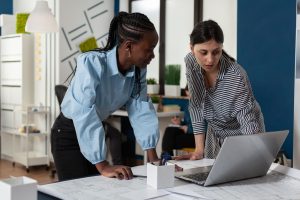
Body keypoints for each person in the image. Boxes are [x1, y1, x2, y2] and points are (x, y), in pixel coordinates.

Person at [51, 11, 160, 181]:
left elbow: (140, 109)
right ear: (129, 46)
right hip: (69, 134)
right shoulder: (92, 63)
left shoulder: (138, 70)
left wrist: (154, 160)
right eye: (149, 49)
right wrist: (103, 166)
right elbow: (84, 113)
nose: (153, 55)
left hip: (93, 132)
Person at [177, 20, 265, 160]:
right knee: (212, 176)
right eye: (203, 52)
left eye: (216, 52)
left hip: (242, 135)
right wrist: (199, 149)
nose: (210, 60)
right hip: (215, 132)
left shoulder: (236, 75)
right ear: (192, 48)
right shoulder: (191, 61)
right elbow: (196, 105)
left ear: (221, 48)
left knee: (243, 176)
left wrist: (254, 154)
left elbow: (248, 120)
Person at [161, 85, 195, 156]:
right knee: (170, 130)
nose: (189, 97)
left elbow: (207, 127)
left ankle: (166, 159)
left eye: (190, 95)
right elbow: (188, 123)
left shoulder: (205, 105)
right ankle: (167, 158)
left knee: (171, 141)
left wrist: (188, 129)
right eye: (187, 94)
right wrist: (180, 123)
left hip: (199, 137)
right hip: (189, 133)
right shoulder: (188, 104)